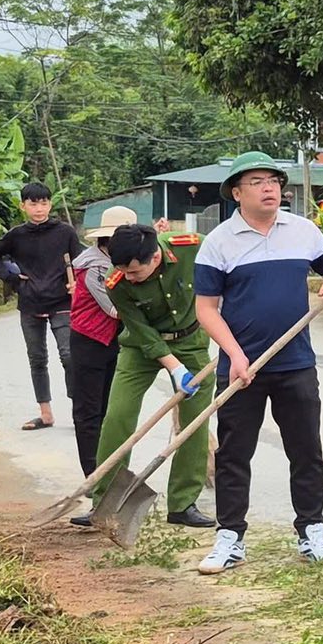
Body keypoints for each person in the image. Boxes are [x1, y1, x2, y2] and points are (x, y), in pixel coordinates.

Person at [193, 151, 323, 574]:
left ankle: (312, 532)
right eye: (258, 181)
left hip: (295, 363)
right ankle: (230, 538)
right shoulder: (219, 242)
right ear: (237, 192)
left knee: (305, 451)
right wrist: (236, 354)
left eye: (274, 181)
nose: (269, 188)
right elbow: (206, 309)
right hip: (241, 369)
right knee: (233, 453)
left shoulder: (302, 231)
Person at [78, 222, 219, 530]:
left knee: (195, 421)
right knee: (118, 417)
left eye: (135, 273)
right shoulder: (116, 283)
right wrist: (174, 367)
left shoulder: (192, 245)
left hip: (190, 342)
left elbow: (225, 263)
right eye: (124, 272)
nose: (129, 278)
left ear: (155, 257)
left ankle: (183, 503)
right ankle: (105, 502)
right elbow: (142, 332)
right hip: (140, 348)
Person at [0, 182, 82, 432]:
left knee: (69, 356)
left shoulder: (65, 232)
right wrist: (12, 278)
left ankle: (79, 411)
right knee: (37, 358)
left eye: (43, 203)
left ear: (50, 204)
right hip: (29, 302)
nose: (39, 208)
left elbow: (81, 260)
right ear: (23, 206)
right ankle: (45, 413)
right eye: (33, 203)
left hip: (62, 302)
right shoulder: (16, 235)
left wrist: (78, 284)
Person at [63, 205, 131, 481]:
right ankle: (93, 475)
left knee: (109, 411)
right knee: (89, 413)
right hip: (89, 341)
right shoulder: (95, 267)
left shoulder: (119, 263)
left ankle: (109, 472)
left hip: (113, 342)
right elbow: (115, 309)